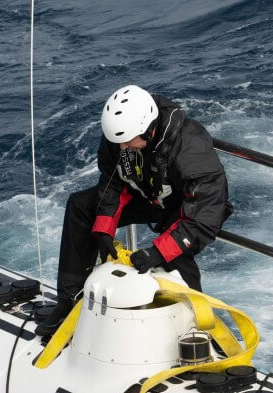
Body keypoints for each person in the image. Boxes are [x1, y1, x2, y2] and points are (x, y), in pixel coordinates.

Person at [36, 85, 232, 337]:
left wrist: (158, 252)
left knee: (175, 257)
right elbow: (111, 182)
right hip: (149, 196)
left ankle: (197, 332)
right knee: (81, 207)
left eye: (128, 142)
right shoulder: (120, 139)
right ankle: (68, 301)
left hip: (186, 210)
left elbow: (204, 216)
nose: (123, 148)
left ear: (149, 130)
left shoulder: (190, 146)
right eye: (119, 143)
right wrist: (104, 229)